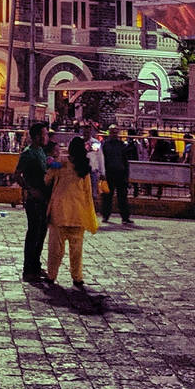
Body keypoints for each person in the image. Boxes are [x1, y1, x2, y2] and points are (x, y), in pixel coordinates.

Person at [46, 135, 98, 291]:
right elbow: (88, 194)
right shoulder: (84, 169)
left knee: (56, 249)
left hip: (60, 212)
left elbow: (47, 179)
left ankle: (51, 275)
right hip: (78, 214)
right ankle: (77, 277)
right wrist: (90, 216)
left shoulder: (61, 164)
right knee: (76, 251)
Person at [16, 122, 51, 283]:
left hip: (44, 198)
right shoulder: (28, 154)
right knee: (33, 233)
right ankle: (28, 269)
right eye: (44, 134)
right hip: (33, 199)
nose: (47, 137)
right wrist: (30, 189)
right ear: (37, 136)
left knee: (41, 232)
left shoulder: (41, 152)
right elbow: (17, 175)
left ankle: (36, 265)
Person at [101, 126, 132, 225]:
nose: (114, 134)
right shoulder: (105, 145)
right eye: (112, 132)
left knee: (122, 196)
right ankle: (105, 216)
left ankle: (125, 218)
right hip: (109, 173)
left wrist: (126, 175)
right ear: (109, 133)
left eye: (116, 132)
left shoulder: (122, 145)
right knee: (107, 196)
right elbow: (102, 160)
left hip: (120, 173)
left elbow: (125, 161)